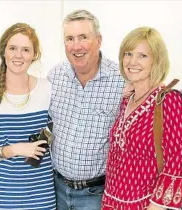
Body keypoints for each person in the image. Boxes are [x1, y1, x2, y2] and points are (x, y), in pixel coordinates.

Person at [101, 26, 182, 210]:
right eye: (128, 53)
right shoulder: (127, 100)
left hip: (147, 205)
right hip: (112, 202)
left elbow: (178, 164)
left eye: (143, 55)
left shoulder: (169, 101)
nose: (132, 61)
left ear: (156, 60)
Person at [47, 9, 125, 209]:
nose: (76, 46)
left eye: (83, 37)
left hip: (96, 193)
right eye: (69, 39)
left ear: (98, 40)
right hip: (56, 190)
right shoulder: (55, 77)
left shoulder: (121, 80)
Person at [0, 23, 56, 210]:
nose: (18, 55)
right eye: (13, 48)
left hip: (41, 199)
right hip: (1, 200)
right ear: (4, 52)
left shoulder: (47, 89)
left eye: (25, 50)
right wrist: (15, 149)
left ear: (34, 55)